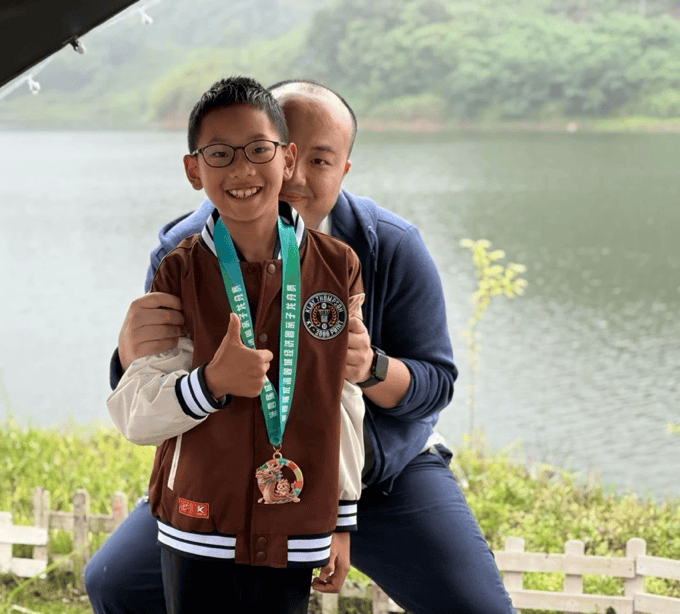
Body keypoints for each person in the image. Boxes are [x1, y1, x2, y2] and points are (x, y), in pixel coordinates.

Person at [87, 79, 516, 614]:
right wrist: (127, 352)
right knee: (114, 584)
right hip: (232, 478)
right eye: (258, 150)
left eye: (320, 160)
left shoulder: (389, 245)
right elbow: (147, 388)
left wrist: (370, 367)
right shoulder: (185, 250)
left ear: (343, 169)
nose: (294, 177)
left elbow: (436, 385)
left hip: (380, 477)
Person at [105, 76, 366, 614]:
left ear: (286, 159)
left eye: (258, 150)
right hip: (198, 524)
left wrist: (342, 518)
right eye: (220, 153)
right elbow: (135, 415)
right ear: (193, 170)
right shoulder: (179, 270)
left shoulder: (338, 267)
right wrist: (209, 384)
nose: (242, 169)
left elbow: (343, 398)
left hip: (297, 522)